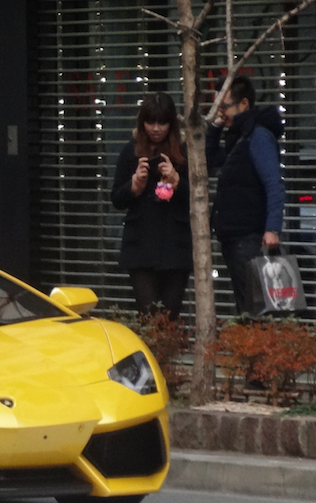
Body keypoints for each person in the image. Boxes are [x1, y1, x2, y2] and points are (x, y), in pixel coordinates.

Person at [206, 74, 285, 316]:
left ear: (244, 105)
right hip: (233, 235)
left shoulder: (257, 137)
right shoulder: (238, 137)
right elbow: (208, 160)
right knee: (246, 302)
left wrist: (272, 228)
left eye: (225, 106)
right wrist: (216, 127)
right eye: (218, 107)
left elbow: (273, 182)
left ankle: (256, 351)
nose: (221, 113)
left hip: (247, 236)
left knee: (254, 304)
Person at [110, 92, 192, 320]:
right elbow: (116, 198)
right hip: (140, 246)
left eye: (162, 122)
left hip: (175, 246)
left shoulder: (184, 151)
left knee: (170, 316)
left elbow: (199, 200)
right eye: (150, 122)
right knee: (148, 316)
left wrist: (177, 181)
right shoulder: (131, 150)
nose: (156, 128)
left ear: (171, 124)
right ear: (142, 122)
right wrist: (134, 186)